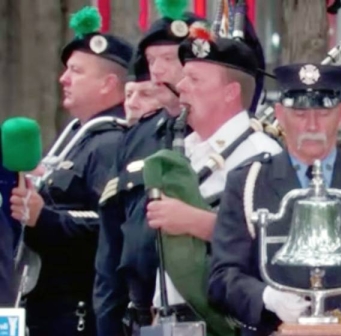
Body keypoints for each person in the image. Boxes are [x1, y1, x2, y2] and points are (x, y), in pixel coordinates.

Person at [208, 63, 341, 336]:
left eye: (323, 113)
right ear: (280, 115)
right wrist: (267, 297)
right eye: (299, 113)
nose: (311, 125)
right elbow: (221, 278)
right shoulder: (248, 184)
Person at [9, 6, 132, 335]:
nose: (63, 78)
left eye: (76, 71)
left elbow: (111, 226)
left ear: (108, 84)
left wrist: (44, 218)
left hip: (78, 315)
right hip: (49, 310)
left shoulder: (110, 142)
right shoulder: (80, 136)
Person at [145, 28, 281, 320]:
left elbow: (274, 242)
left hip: (223, 322)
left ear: (230, 92)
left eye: (194, 79)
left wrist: (195, 222)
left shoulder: (262, 155)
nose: (180, 86)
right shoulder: (188, 149)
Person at [93, 5, 207, 334]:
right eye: (152, 60)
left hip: (203, 311)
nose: (157, 71)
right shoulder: (138, 136)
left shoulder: (215, 133)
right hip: (140, 313)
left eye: (170, 59)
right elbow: (111, 238)